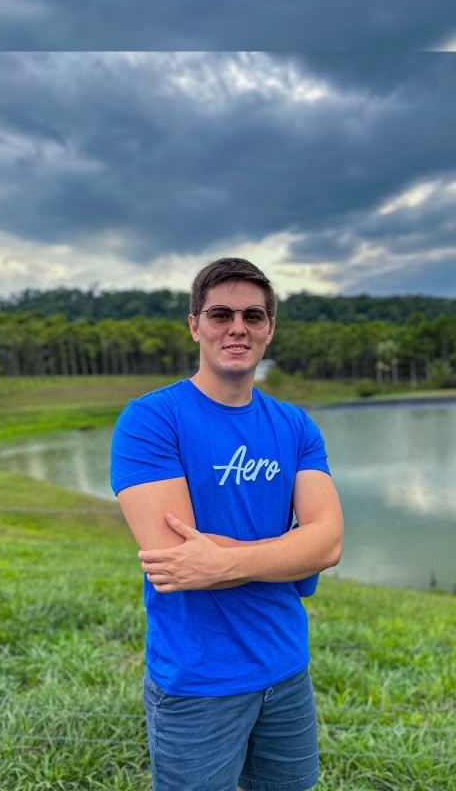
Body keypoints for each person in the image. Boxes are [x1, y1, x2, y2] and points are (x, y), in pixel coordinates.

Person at [110, 257, 344, 791]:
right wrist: (290, 550)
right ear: (195, 325)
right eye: (220, 315)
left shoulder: (296, 425)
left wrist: (221, 561)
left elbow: (328, 543)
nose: (237, 328)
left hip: (287, 667)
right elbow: (178, 562)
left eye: (252, 316)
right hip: (199, 678)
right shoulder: (152, 419)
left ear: (269, 329)